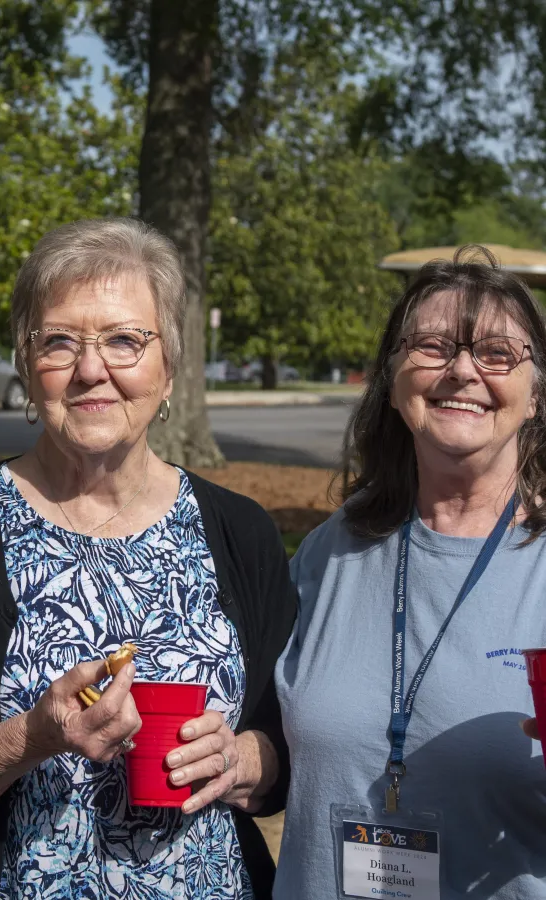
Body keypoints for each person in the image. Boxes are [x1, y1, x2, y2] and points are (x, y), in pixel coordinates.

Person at [0, 217, 296, 900]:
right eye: (58, 342)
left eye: (124, 340)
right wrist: (28, 739)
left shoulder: (240, 533)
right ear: (25, 365)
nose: (90, 369)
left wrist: (242, 758)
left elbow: (296, 745)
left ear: (170, 368)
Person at [275, 247, 546, 898]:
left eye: (497, 353)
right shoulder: (328, 552)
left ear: (536, 394)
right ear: (392, 380)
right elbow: (271, 746)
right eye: (431, 346)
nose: (461, 371)